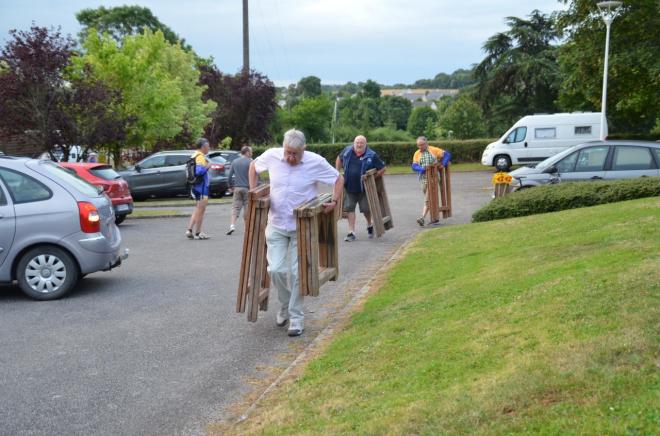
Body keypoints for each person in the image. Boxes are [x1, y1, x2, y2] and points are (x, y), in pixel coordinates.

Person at [249, 129, 344, 337]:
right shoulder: (272, 155)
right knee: (275, 269)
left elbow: (338, 179)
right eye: (288, 152)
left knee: (297, 273)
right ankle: (284, 305)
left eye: (295, 154)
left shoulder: (315, 162)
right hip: (275, 225)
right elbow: (253, 166)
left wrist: (335, 202)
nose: (291, 157)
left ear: (304, 150)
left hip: (301, 228)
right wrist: (253, 191)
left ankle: (296, 317)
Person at [335, 135, 385, 241]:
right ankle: (351, 232)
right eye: (357, 142)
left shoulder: (372, 155)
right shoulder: (347, 150)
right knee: (349, 209)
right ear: (354, 143)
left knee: (366, 209)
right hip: (349, 187)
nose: (359, 144)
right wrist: (337, 172)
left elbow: (382, 169)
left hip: (364, 189)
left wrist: (372, 177)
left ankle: (369, 224)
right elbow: (339, 158)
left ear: (365, 144)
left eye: (361, 142)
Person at [411, 136, 450, 226]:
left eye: (422, 145)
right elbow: (414, 165)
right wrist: (421, 169)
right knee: (429, 199)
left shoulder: (433, 150)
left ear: (426, 143)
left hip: (433, 178)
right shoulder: (417, 153)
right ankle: (435, 218)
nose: (420, 147)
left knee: (428, 199)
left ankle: (422, 218)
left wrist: (443, 164)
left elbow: (447, 154)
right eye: (418, 145)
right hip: (423, 179)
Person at [185, 138, 212, 240]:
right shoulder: (200, 157)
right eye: (208, 146)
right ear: (203, 147)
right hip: (201, 187)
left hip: (195, 186)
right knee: (201, 209)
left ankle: (193, 231)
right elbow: (199, 171)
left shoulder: (194, 155)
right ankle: (195, 231)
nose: (209, 148)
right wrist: (208, 166)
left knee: (199, 208)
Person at [226, 145, 253, 235]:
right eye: (251, 152)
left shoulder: (234, 161)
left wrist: (230, 186)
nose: (251, 153)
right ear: (247, 152)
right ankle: (246, 228)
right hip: (247, 188)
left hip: (237, 188)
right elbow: (255, 175)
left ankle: (232, 225)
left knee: (235, 207)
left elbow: (229, 176)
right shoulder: (251, 162)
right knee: (247, 207)